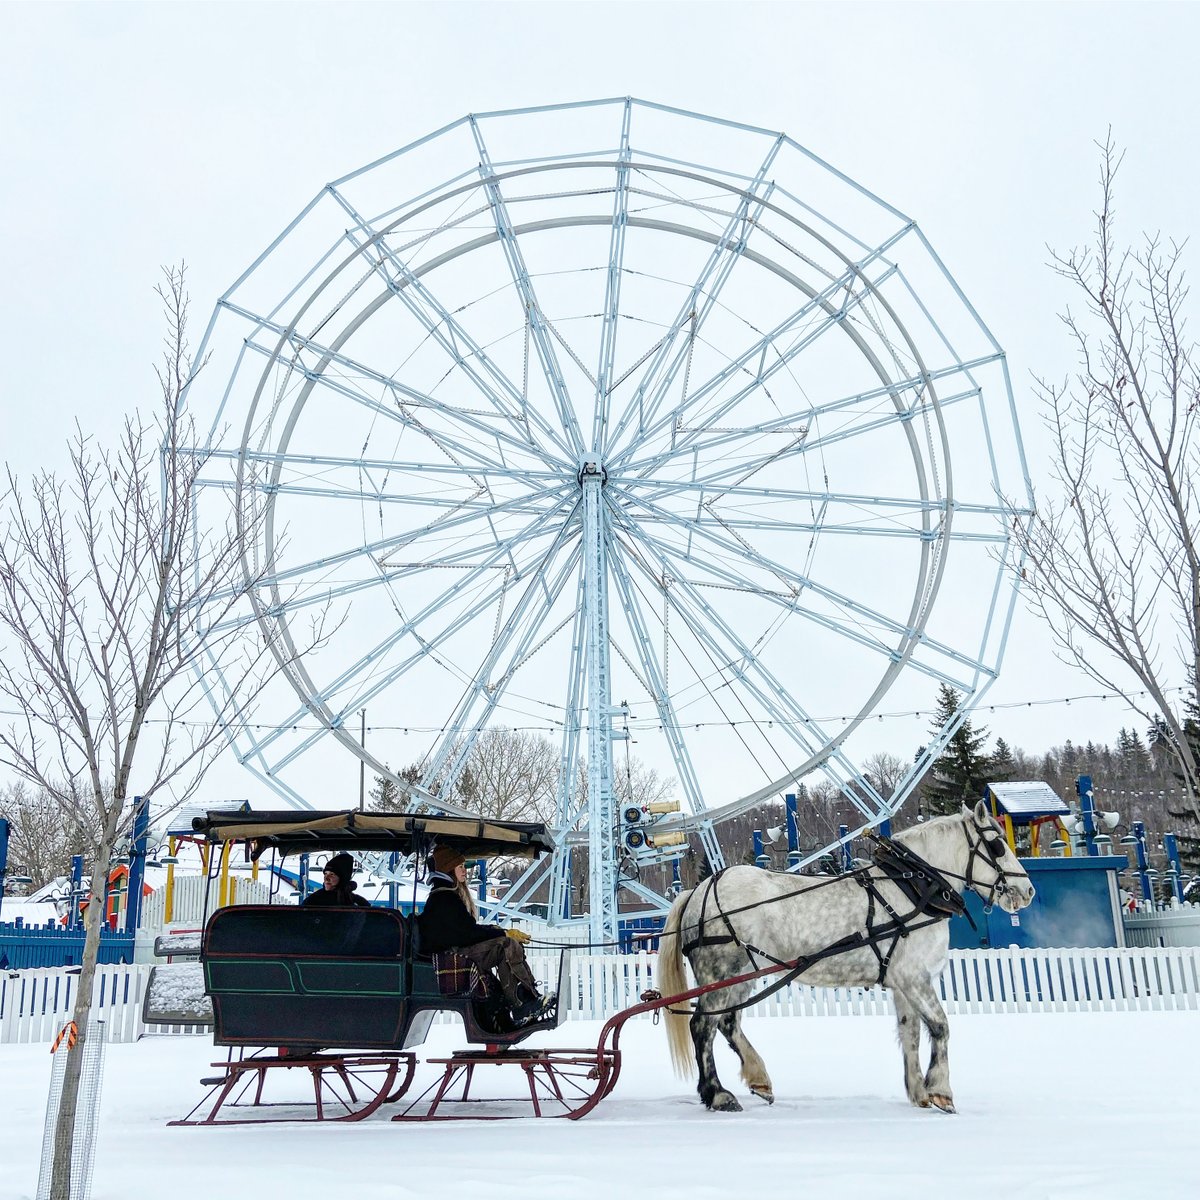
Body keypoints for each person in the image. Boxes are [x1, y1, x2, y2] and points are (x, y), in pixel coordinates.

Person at [417, 845, 554, 1026]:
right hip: (452, 954)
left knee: (507, 942)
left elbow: (465, 929)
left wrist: (494, 930)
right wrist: (501, 933)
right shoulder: (445, 898)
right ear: (449, 869)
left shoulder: (445, 895)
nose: (464, 871)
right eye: (460, 867)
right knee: (505, 945)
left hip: (454, 949)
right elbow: (468, 934)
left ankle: (525, 996)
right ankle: (520, 1003)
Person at [303, 852, 371, 907]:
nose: (326, 879)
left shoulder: (358, 903)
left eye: (332, 874)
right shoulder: (313, 901)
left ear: (343, 878)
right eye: (325, 874)